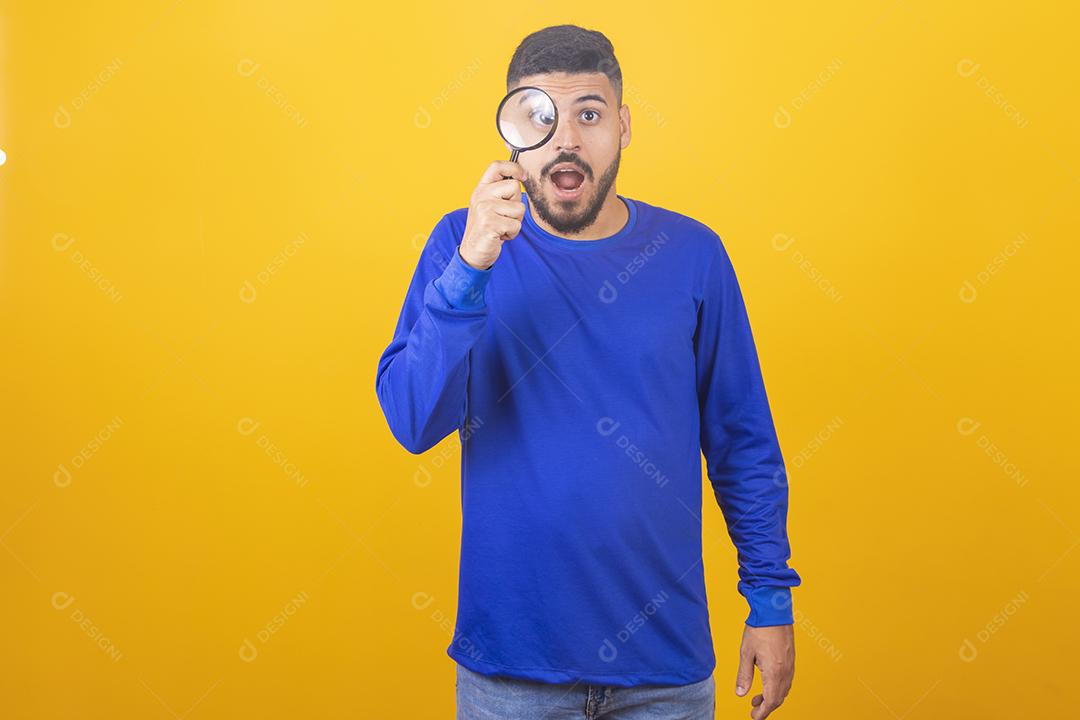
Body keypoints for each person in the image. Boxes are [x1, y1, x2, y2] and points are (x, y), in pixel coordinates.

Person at [376, 23, 801, 720]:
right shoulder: (462, 242)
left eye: (590, 115)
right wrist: (471, 269)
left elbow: (742, 439)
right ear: (513, 131)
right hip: (509, 672)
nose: (567, 140)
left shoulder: (693, 254)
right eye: (541, 116)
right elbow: (413, 421)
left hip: (664, 672)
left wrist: (770, 601)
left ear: (624, 127)